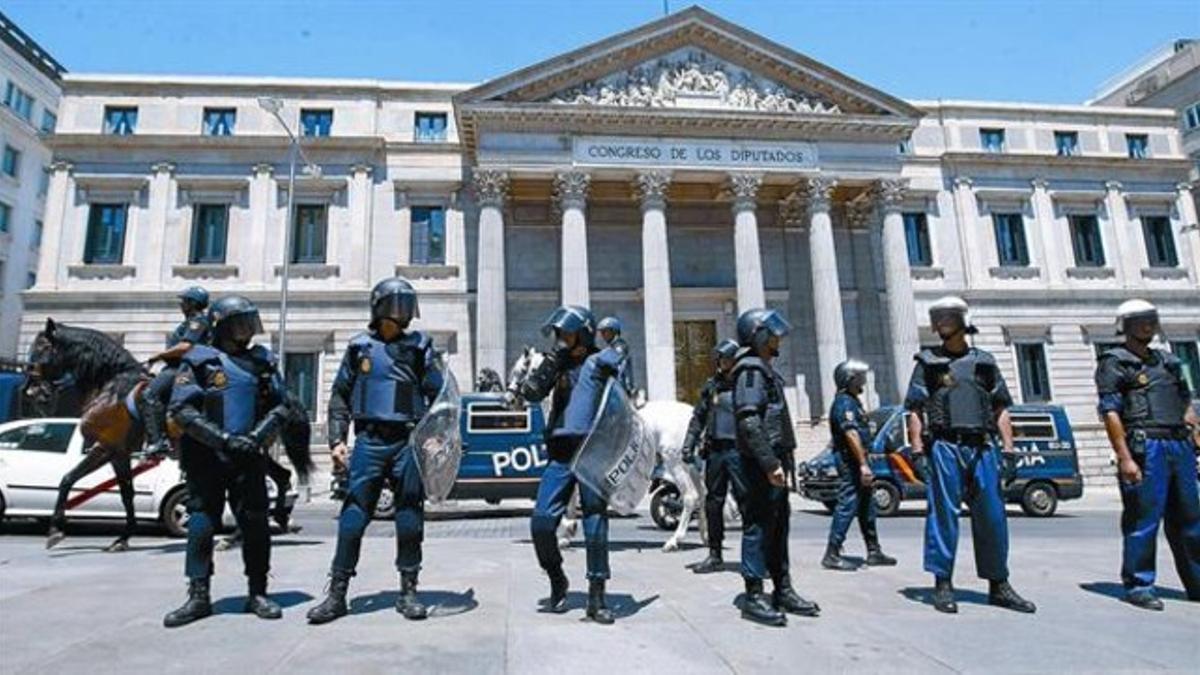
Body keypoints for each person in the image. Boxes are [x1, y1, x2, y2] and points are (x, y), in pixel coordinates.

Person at [307, 277, 444, 624]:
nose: (406, 314)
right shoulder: (359, 348)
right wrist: (336, 441)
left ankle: (408, 591)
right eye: (400, 306)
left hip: (408, 440)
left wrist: (436, 434)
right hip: (369, 441)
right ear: (381, 307)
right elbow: (339, 397)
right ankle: (337, 594)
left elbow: (439, 397)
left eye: (408, 307)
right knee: (353, 517)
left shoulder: (420, 347)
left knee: (410, 517)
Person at [904, 296, 1035, 615]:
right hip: (945, 446)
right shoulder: (928, 363)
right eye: (938, 319)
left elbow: (1001, 408)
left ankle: (999, 583)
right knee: (943, 516)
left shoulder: (984, 362)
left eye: (947, 318)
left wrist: (1009, 451)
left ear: (962, 321)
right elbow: (915, 411)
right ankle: (942, 583)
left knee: (992, 515)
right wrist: (917, 451)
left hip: (983, 446)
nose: (941, 324)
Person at [163, 295, 289, 627]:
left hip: (248, 456)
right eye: (241, 323)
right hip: (206, 455)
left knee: (256, 523)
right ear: (222, 326)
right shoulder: (200, 359)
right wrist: (222, 439)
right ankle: (198, 595)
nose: (248, 331)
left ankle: (258, 592)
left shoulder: (262, 361)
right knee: (202, 522)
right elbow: (182, 409)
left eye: (251, 322)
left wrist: (256, 437)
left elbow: (281, 405)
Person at [1095, 299, 1200, 610]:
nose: (1147, 326)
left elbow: (1185, 400)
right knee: (1143, 518)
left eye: (1150, 319)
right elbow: (1110, 413)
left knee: (1191, 519)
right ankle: (1139, 583)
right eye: (1140, 320)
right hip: (1145, 446)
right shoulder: (1114, 362)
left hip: (1178, 444)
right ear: (1124, 326)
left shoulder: (1169, 361)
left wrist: (1194, 429)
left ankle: (1196, 581)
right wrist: (1124, 456)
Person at [521, 305, 623, 624]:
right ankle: (557, 578)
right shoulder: (556, 365)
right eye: (559, 334)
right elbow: (532, 394)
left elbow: (619, 359)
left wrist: (616, 346)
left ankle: (597, 595)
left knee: (595, 524)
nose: (562, 338)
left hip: (594, 451)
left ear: (584, 333)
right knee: (540, 523)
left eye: (567, 332)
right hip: (562, 453)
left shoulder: (599, 361)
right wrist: (546, 368)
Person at [730, 308, 819, 626]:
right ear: (759, 336)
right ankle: (754, 595)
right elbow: (749, 421)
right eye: (773, 333)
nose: (778, 337)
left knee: (779, 527)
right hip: (759, 466)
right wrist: (769, 463)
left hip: (774, 463)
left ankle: (783, 589)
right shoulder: (750, 371)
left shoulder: (765, 370)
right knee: (757, 527)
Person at [821, 359, 896, 571]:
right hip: (851, 462)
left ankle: (874, 551)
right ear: (849, 379)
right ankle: (832, 553)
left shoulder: (853, 402)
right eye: (859, 377)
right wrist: (863, 464)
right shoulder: (844, 403)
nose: (863, 380)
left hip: (859, 460)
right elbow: (851, 433)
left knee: (866, 507)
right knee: (847, 505)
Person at [682, 338, 740, 574]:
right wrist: (689, 443)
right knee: (712, 504)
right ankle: (714, 554)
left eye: (726, 359)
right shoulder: (712, 386)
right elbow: (698, 417)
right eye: (720, 359)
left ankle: (757, 557)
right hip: (716, 452)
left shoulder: (745, 386)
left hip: (740, 451)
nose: (722, 363)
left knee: (748, 503)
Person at [140, 286, 211, 456]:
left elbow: (185, 346)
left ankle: (157, 442)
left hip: (181, 368)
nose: (181, 304)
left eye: (184, 301)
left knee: (149, 395)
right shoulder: (188, 323)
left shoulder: (198, 321)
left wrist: (156, 356)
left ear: (192, 303)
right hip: (174, 367)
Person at [597, 316, 636, 395]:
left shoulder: (620, 345)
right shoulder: (612, 346)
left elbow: (613, 361)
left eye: (605, 332)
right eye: (602, 332)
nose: (603, 335)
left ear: (613, 331)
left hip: (621, 388)